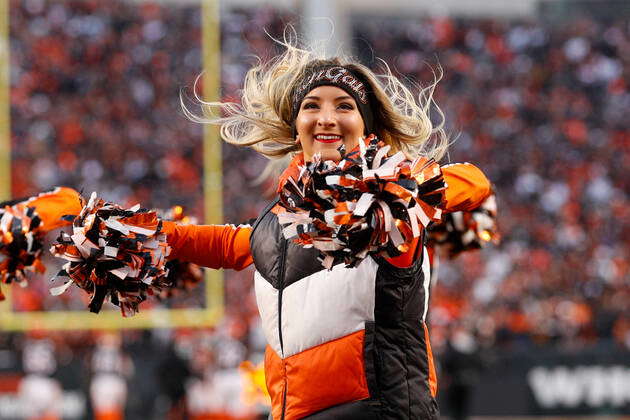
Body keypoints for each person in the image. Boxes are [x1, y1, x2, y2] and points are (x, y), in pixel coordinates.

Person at [159, 42, 491, 420]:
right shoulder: (272, 225)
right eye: (312, 105)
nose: (327, 118)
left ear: (367, 124)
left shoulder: (387, 212)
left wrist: (401, 187)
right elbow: (216, 243)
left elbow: (474, 182)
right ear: (295, 125)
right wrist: (121, 232)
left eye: (345, 106)